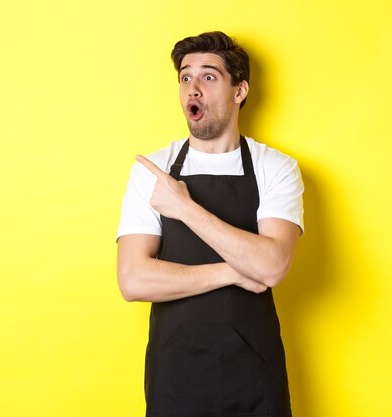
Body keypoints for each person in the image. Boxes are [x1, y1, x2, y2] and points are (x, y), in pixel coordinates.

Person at [116, 31, 304, 417]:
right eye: (185, 78)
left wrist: (184, 209)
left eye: (209, 77)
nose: (193, 89)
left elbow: (272, 266)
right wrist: (232, 273)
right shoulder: (154, 170)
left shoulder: (276, 168)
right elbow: (133, 280)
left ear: (240, 91)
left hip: (255, 375)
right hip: (175, 376)